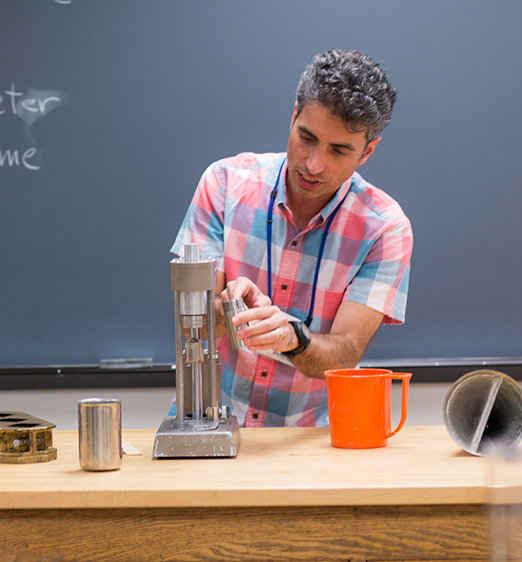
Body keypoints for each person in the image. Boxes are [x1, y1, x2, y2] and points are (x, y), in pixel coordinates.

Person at [171, 49, 412, 427]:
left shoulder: (385, 228)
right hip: (208, 424)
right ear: (294, 113)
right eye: (307, 138)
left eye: (339, 150)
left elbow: (346, 354)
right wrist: (234, 312)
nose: (314, 165)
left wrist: (292, 337)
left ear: (368, 151)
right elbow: (192, 324)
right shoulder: (223, 184)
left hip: (307, 445)